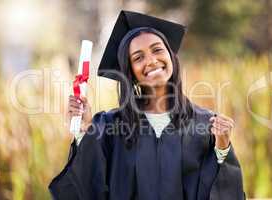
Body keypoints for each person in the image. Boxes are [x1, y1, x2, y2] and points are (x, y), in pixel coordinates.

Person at [49, 10, 245, 200]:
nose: (151, 61)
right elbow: (87, 187)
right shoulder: (109, 126)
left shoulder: (205, 123)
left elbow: (225, 191)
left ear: (171, 56)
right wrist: (85, 131)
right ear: (130, 71)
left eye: (157, 49)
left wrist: (222, 148)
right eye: (138, 57)